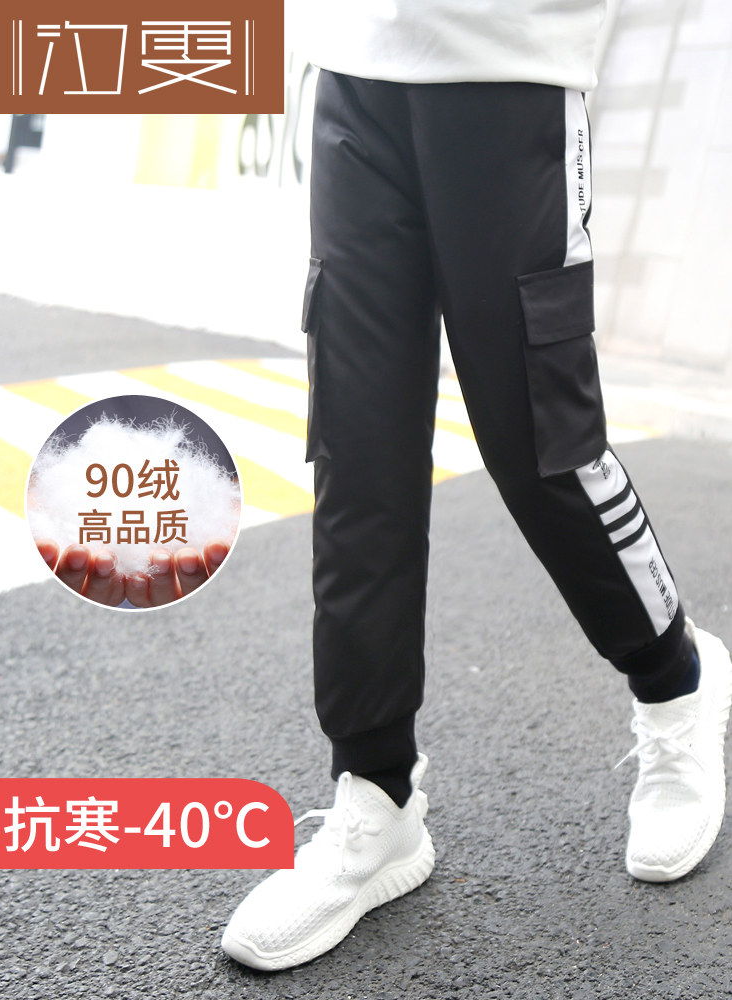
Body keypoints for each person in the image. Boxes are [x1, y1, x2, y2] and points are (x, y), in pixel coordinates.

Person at [221, 0, 732, 970]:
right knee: (357, 454)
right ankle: (376, 793)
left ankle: (679, 683)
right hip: (358, 62)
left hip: (512, 64)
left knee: (543, 448)